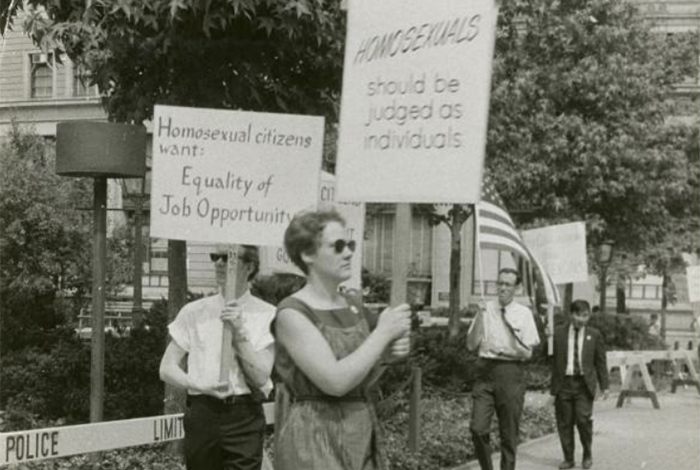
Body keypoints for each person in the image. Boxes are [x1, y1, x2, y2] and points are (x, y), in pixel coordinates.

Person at [272, 209, 411, 470]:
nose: (348, 252)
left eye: (349, 244)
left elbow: (362, 374)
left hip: (358, 432)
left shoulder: (353, 306)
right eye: (337, 246)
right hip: (314, 436)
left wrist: (386, 356)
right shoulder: (292, 313)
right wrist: (382, 335)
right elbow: (335, 381)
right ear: (307, 254)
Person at [159, 245, 275, 470]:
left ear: (249, 266)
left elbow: (261, 376)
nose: (219, 263)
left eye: (228, 258)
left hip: (244, 413)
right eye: (215, 257)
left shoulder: (267, 314)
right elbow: (166, 367)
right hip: (203, 412)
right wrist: (198, 384)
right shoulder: (194, 311)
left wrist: (239, 331)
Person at [466, 268, 541, 470]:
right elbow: (471, 345)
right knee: (478, 428)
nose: (502, 288)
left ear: (517, 288)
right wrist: (480, 317)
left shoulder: (524, 314)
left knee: (509, 433)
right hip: (485, 372)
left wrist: (503, 350)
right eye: (500, 283)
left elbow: (528, 353)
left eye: (507, 284)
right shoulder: (485, 309)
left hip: (510, 372)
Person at [551, 299, 609, 470]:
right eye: (578, 315)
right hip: (564, 384)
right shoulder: (558, 333)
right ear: (571, 315)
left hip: (584, 385)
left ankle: (587, 453)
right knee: (565, 423)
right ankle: (568, 458)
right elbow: (549, 359)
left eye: (585, 315)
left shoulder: (594, 334)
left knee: (583, 420)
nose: (582, 319)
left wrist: (604, 386)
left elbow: (600, 362)